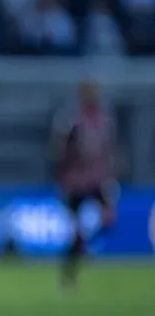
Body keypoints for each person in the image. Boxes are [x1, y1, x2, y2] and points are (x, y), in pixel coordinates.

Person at [51, 79, 118, 288]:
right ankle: (69, 272)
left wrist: (110, 176)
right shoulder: (72, 119)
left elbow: (109, 151)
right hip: (76, 183)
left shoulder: (104, 119)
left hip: (97, 180)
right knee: (75, 232)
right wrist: (63, 178)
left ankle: (85, 246)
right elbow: (60, 151)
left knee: (108, 219)